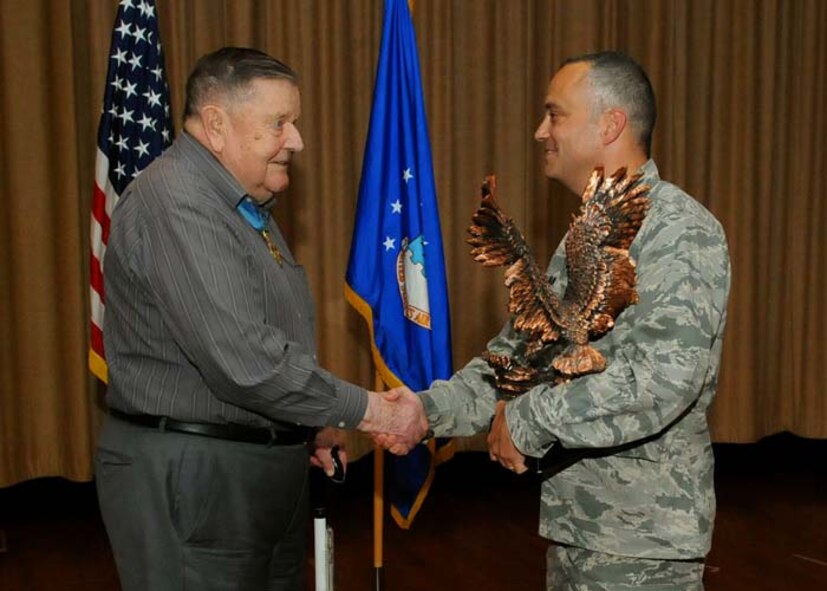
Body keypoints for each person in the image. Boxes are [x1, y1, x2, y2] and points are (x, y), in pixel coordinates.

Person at [383, 51, 731, 589]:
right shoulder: (584, 239)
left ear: (611, 123)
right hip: (580, 531)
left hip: (642, 547)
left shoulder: (680, 231)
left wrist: (527, 421)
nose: (540, 130)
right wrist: (425, 412)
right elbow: (520, 359)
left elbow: (663, 380)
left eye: (555, 114)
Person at [96, 47, 426, 591]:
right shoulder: (176, 203)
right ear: (217, 124)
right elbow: (247, 363)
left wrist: (309, 424)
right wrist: (371, 413)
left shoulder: (241, 205)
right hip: (198, 481)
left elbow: (271, 334)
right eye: (279, 123)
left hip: (249, 473)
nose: (295, 140)